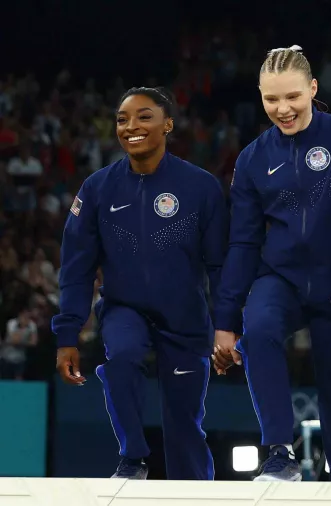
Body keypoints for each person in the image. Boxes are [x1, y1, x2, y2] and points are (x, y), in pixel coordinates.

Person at [212, 45, 331, 483]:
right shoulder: (252, 159)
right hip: (282, 279)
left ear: (312, 88)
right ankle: (278, 454)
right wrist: (226, 320)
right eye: (271, 99)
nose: (282, 109)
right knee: (260, 327)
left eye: (292, 97)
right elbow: (244, 242)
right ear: (260, 96)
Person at [52, 87, 227, 480]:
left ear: (167, 124)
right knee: (123, 356)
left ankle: (197, 493)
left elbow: (219, 266)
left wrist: (228, 326)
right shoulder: (97, 189)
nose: (131, 126)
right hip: (123, 307)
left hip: (185, 317)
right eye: (122, 119)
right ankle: (132, 459)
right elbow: (76, 268)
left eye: (144, 116)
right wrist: (67, 336)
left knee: (184, 424)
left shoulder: (200, 187)